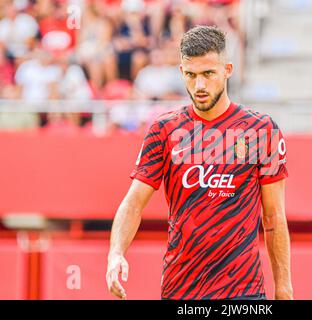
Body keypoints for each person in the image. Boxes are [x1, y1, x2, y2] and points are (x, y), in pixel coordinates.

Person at [106, 25, 293, 300]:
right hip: (181, 290)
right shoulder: (164, 130)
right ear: (181, 72)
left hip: (243, 292)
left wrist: (284, 287)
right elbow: (133, 203)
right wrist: (115, 254)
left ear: (227, 69)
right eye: (191, 75)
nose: (200, 85)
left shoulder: (260, 130)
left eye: (208, 74)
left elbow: (274, 217)